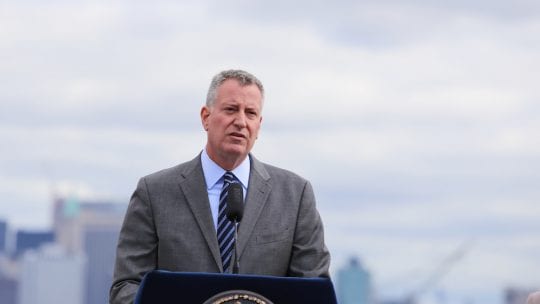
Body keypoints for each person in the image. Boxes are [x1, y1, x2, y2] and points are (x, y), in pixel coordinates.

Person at [109, 69, 330, 304]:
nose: (241, 122)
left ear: (259, 125)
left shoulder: (295, 196)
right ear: (206, 117)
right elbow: (126, 288)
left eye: (251, 113)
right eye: (231, 109)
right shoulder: (154, 193)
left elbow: (313, 291)